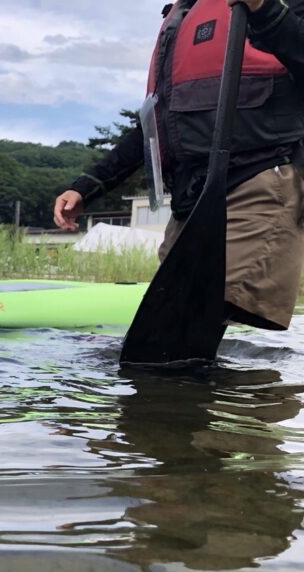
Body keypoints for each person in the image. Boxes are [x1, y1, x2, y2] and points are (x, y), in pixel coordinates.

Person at [54, 0, 304, 331]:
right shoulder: (182, 17)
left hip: (260, 177)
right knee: (169, 316)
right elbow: (153, 126)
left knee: (200, 311)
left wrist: (265, 9)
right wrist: (86, 186)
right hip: (192, 195)